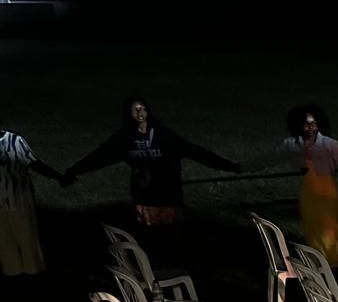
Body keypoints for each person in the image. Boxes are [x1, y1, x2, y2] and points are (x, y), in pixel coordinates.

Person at [66, 96, 241, 227]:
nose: (139, 113)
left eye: (142, 109)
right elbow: (101, 156)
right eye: (135, 110)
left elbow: (195, 151)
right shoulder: (125, 137)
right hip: (144, 199)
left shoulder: (162, 134)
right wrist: (74, 170)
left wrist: (228, 166)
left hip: (168, 197)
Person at [281, 104, 338, 268]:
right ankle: (318, 272)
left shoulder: (328, 144)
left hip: (327, 195)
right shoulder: (293, 144)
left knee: (331, 234)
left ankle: (334, 273)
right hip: (309, 195)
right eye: (306, 124)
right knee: (314, 235)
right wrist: (239, 167)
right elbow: (269, 158)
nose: (310, 128)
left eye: (314, 123)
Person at [0, 126, 68, 276]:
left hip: (18, 198)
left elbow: (33, 163)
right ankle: (13, 273)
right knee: (4, 240)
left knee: (26, 237)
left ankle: (33, 274)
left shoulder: (14, 141)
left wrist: (59, 177)